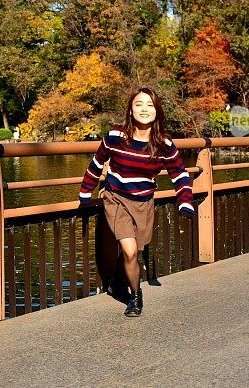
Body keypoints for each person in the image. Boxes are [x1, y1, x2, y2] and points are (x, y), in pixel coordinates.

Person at [79, 87, 194, 317]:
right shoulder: (115, 137)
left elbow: (179, 175)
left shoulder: (164, 145)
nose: (144, 109)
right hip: (116, 198)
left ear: (157, 111)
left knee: (135, 251)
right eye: (139, 104)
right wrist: (85, 193)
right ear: (130, 111)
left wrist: (185, 202)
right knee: (130, 251)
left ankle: (121, 280)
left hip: (143, 202)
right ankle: (135, 295)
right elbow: (96, 163)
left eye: (150, 105)